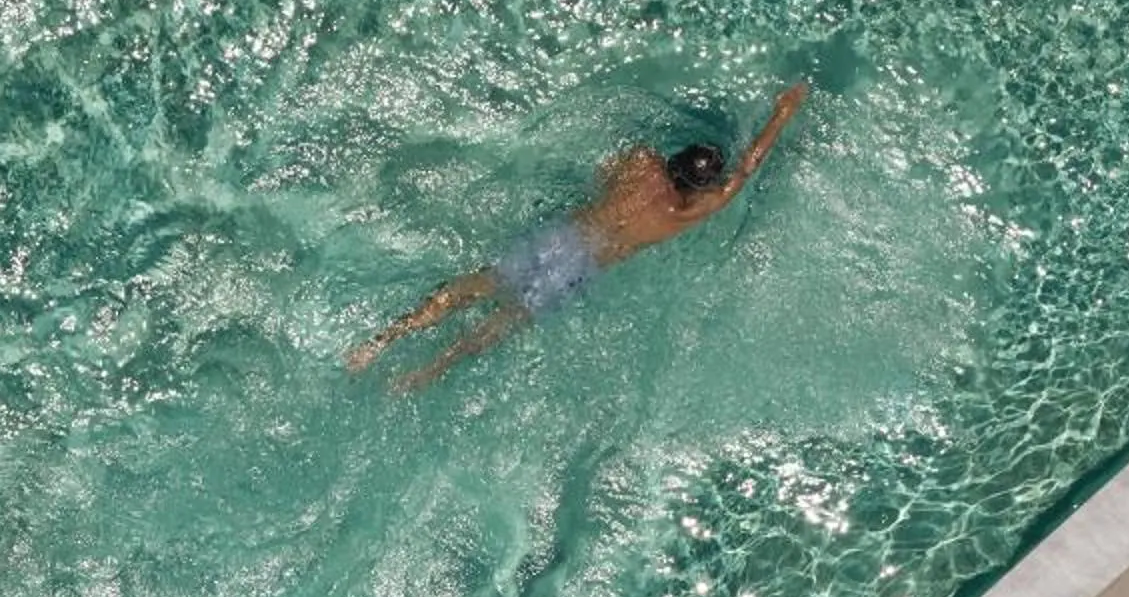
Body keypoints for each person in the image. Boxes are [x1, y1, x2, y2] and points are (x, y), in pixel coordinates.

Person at [347, 81, 811, 392]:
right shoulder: (684, 214)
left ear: (675, 160)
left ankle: (380, 342)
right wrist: (784, 111)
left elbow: (602, 173)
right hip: (580, 267)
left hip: (560, 237)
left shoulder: (641, 163)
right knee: (498, 326)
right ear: (700, 186)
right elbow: (746, 167)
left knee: (475, 285)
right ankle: (425, 374)